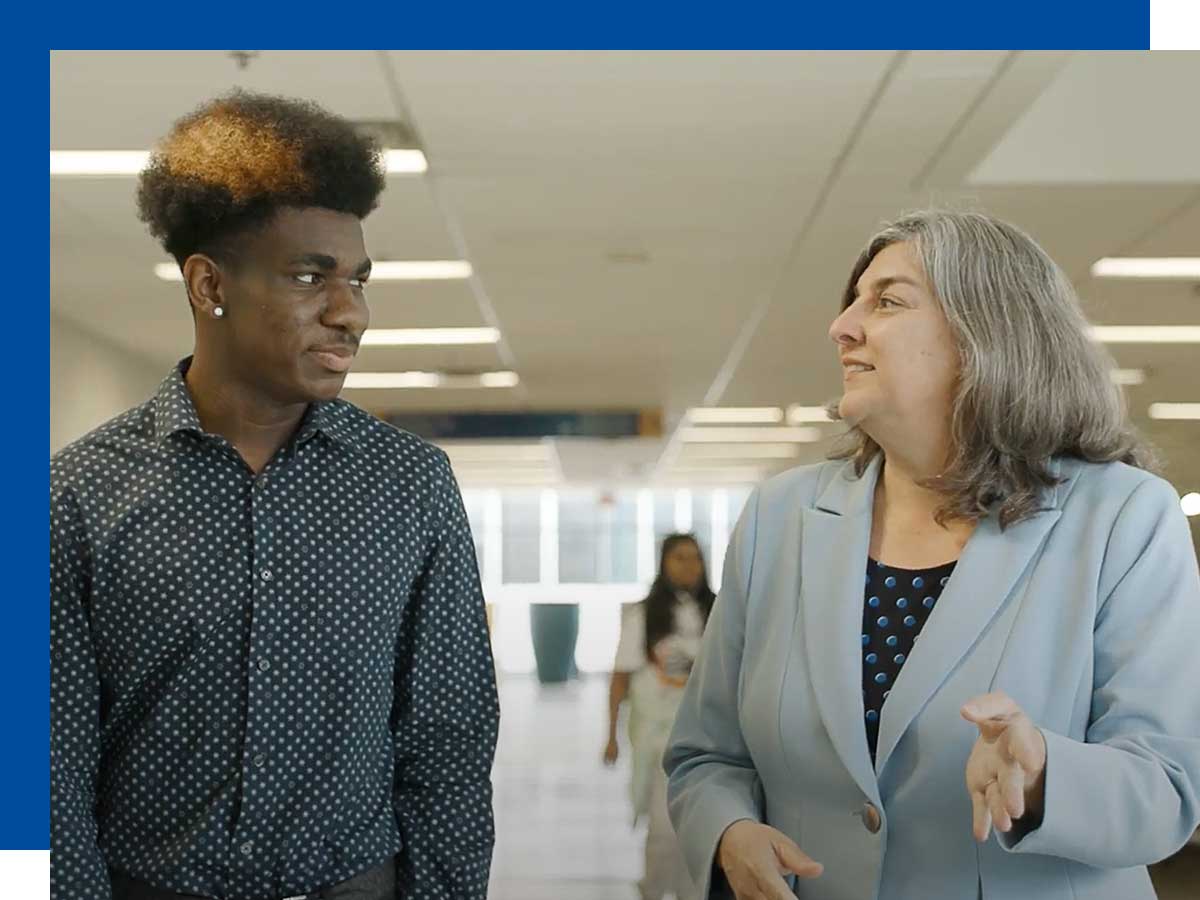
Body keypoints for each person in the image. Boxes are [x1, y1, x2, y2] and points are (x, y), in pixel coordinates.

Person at [664, 210, 1200, 900]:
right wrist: (729, 831)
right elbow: (706, 754)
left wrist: (1043, 776)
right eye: (852, 301)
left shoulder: (1123, 516)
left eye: (886, 301)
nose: (842, 326)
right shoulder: (780, 519)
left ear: (986, 333)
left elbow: (1167, 788)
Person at [50, 91, 499, 900]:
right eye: (308, 277)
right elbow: (44, 761)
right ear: (207, 283)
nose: (349, 313)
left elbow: (449, 740)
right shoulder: (78, 494)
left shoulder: (408, 484)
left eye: (358, 281)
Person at [605, 534, 716, 900]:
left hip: (711, 737)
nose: (688, 566)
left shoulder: (721, 612)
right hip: (659, 738)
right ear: (664, 563)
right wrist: (611, 736)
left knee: (702, 828)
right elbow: (621, 675)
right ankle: (652, 890)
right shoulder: (642, 614)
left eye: (695, 558)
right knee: (664, 827)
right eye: (679, 557)